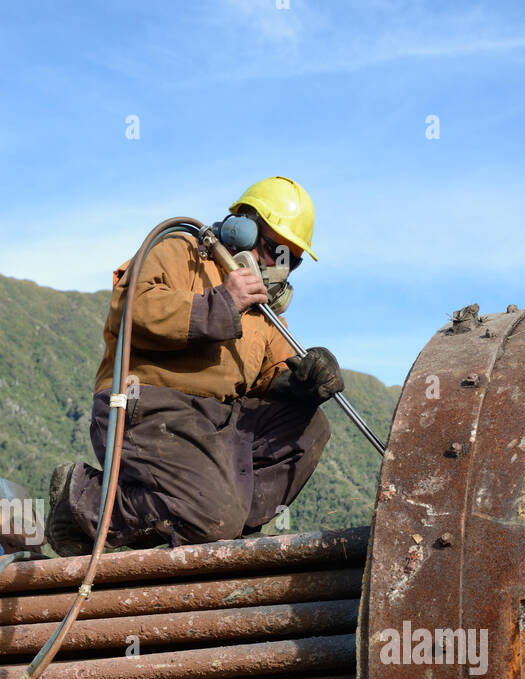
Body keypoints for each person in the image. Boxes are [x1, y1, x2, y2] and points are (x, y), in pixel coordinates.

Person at [46, 177, 343, 555]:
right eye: (275, 251)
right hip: (149, 407)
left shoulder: (262, 310)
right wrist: (221, 304)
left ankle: (216, 527)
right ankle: (83, 503)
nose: (280, 268)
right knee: (213, 514)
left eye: (292, 262)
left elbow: (271, 375)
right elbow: (132, 311)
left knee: (307, 426)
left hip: (216, 422)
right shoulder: (179, 251)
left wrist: (304, 382)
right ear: (243, 228)